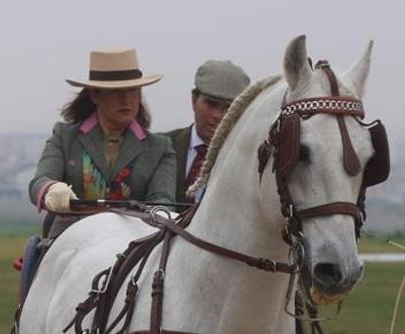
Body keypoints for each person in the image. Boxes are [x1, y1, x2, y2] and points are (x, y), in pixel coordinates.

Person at [28, 47, 177, 222]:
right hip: (70, 237)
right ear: (94, 95)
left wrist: (158, 211)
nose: (126, 100)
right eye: (116, 92)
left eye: (133, 90)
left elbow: (163, 200)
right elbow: (39, 182)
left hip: (135, 242)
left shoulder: (160, 148)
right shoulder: (65, 137)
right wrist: (51, 189)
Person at [164, 60, 250, 203]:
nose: (217, 115)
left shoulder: (245, 162)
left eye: (228, 108)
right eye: (210, 104)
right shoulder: (162, 146)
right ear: (193, 100)